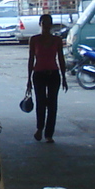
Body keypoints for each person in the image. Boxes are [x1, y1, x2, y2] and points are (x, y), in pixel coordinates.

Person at [26, 13, 66, 143]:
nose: (47, 26)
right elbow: (31, 59)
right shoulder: (34, 39)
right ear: (40, 24)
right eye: (44, 23)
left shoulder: (57, 40)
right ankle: (39, 128)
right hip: (38, 75)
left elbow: (61, 58)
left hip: (54, 74)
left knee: (52, 105)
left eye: (49, 23)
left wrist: (64, 77)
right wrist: (28, 80)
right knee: (41, 103)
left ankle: (49, 134)